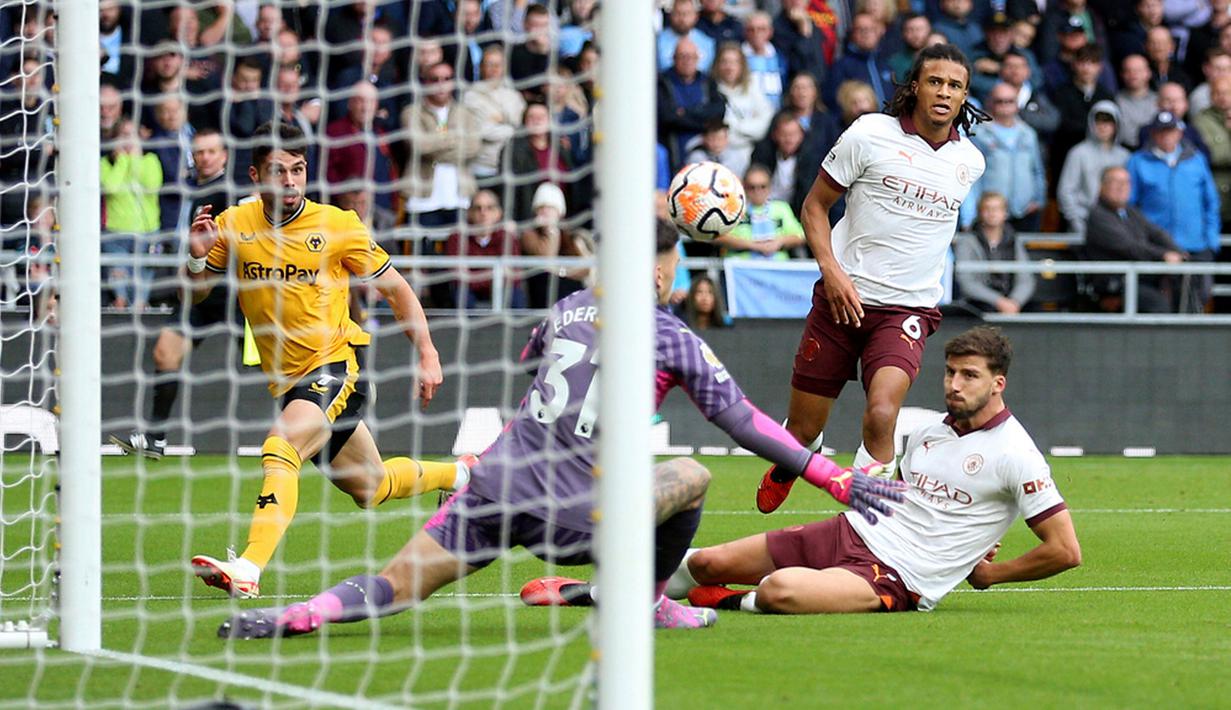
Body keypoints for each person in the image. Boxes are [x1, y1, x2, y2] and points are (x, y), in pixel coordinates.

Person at [216, 221, 905, 639]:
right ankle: (649, 604)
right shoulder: (671, 337)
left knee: (394, 587)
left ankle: (296, 615)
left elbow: (535, 384)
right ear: (663, 270)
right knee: (690, 477)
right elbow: (743, 424)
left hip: (492, 486)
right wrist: (829, 475)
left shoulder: (568, 308)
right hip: (575, 512)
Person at [184, 122, 457, 598]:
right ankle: (464, 473)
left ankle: (249, 566)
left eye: (298, 170)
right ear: (255, 175)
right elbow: (196, 294)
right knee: (371, 487)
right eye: (278, 171)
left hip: (335, 368)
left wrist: (428, 353)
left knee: (280, 446)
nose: (289, 181)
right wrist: (195, 260)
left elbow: (395, 290)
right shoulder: (232, 225)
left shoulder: (336, 225)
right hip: (288, 382)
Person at [667, 327, 1082, 615]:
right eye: (950, 372)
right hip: (851, 532)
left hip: (898, 576)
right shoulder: (926, 433)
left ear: (998, 384)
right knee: (708, 562)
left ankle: (728, 601)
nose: (954, 384)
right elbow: (904, 498)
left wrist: (990, 574)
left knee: (779, 590)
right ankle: (608, 594)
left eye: (970, 375)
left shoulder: (1016, 453)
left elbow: (1065, 550)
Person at [754, 43, 988, 515]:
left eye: (955, 86)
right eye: (936, 81)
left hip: (907, 310)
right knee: (799, 429)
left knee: (882, 414)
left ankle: (867, 523)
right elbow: (814, 207)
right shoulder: (869, 134)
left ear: (964, 97)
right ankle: (802, 454)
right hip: (842, 298)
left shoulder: (971, 163)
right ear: (915, 86)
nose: (944, 92)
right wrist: (832, 273)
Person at [110, 129, 234, 458]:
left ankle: (311, 421)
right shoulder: (188, 189)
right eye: (200, 152)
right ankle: (156, 438)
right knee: (165, 352)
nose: (204, 157)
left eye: (211, 152)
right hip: (198, 290)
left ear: (224, 156)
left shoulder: (232, 193)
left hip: (238, 291)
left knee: (272, 365)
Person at [1126, 111, 1221, 310]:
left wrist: (1211, 240)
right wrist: (1142, 240)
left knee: (1198, 297)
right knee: (1160, 302)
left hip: (1196, 244)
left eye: (1171, 131)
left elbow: (1211, 203)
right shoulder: (1138, 161)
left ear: (1180, 133)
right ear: (1153, 134)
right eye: (1161, 132)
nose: (1166, 136)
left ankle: (1194, 341)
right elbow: (1130, 206)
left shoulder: (1196, 159)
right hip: (1158, 246)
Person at [1084, 166, 1185, 313]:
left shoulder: (1130, 211)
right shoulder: (1098, 216)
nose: (1122, 187)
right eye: (1116, 182)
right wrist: (1163, 255)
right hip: (1114, 285)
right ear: (1102, 186)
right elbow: (1130, 247)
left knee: (1184, 289)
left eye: (1126, 183)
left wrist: (1177, 251)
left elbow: (1156, 233)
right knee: (1158, 304)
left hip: (1140, 279)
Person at [959, 81, 1045, 232]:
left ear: (1017, 103)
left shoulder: (1028, 134)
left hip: (1025, 212)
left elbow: (1037, 169)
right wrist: (973, 212)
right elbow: (971, 176)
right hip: (990, 213)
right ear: (990, 103)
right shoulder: (978, 133)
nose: (1005, 105)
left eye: (1010, 101)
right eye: (1000, 101)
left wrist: (1038, 200)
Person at [953, 192, 1036, 314]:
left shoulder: (1014, 240)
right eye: (987, 209)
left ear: (1005, 213)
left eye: (997, 209)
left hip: (1012, 304)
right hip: (977, 306)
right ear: (979, 212)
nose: (992, 213)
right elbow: (966, 282)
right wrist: (999, 302)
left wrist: (1015, 302)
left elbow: (1026, 279)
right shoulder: (967, 241)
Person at [1057, 101, 1131, 234]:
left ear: (1116, 125)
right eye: (1098, 121)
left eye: (1108, 122)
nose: (1103, 126)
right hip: (1085, 220)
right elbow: (1066, 191)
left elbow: (1130, 191)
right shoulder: (1078, 153)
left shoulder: (1124, 156)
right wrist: (1077, 223)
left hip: (1117, 225)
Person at [716, 163, 805, 260]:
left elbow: (801, 235)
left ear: (770, 187)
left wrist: (780, 242)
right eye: (752, 187)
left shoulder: (781, 208)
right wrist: (753, 245)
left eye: (762, 186)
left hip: (777, 269)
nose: (757, 191)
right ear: (744, 187)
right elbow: (717, 237)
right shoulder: (733, 209)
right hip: (741, 269)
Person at [1191, 75, 1231, 229]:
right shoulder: (1200, 120)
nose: (1222, 97)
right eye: (1217, 93)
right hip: (1215, 193)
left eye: (1227, 92)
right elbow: (1208, 156)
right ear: (1210, 96)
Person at [1115, 54, 1158, 149]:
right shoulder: (1115, 101)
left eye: (1138, 70)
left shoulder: (1159, 100)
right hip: (1124, 151)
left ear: (1148, 73)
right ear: (1122, 74)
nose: (1133, 75)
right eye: (1128, 71)